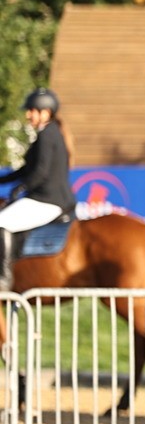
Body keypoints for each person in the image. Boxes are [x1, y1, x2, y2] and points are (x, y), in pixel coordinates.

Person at [0, 88, 76, 292]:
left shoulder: (46, 135)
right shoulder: (49, 133)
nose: (28, 115)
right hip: (47, 198)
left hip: (47, 200)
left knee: (1, 222)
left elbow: (40, 172)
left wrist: (21, 188)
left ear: (46, 112)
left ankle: (4, 279)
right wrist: (4, 179)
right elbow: (27, 169)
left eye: (32, 110)